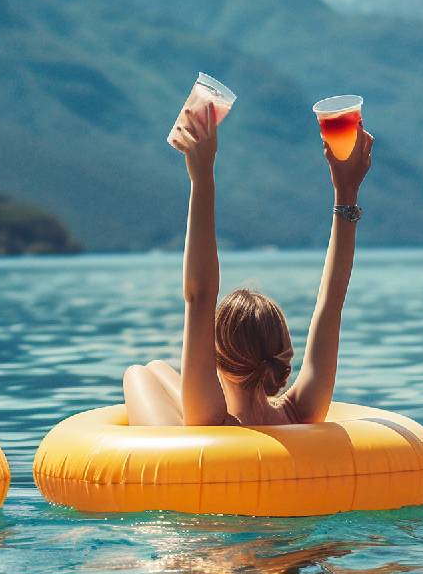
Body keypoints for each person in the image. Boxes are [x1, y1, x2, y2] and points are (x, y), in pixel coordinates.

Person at [124, 103, 373, 427]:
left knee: (138, 373)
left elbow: (200, 296)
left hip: (194, 448)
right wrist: (347, 190)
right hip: (282, 427)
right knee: (157, 368)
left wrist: (201, 176)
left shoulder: (209, 421)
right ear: (282, 350)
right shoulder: (302, 413)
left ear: (215, 356)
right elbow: (332, 299)